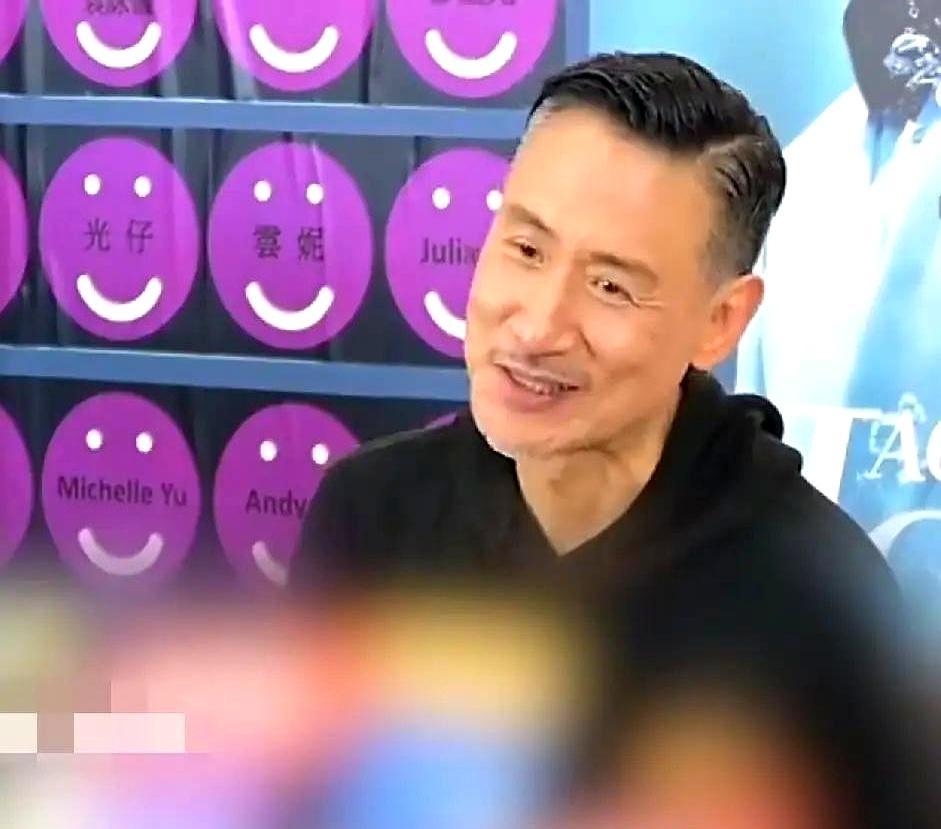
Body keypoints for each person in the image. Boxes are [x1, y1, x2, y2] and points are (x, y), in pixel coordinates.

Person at [296, 53, 934, 828]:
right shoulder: (368, 515)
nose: (537, 326)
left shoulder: (816, 597)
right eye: (525, 249)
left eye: (610, 286)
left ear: (720, 322)